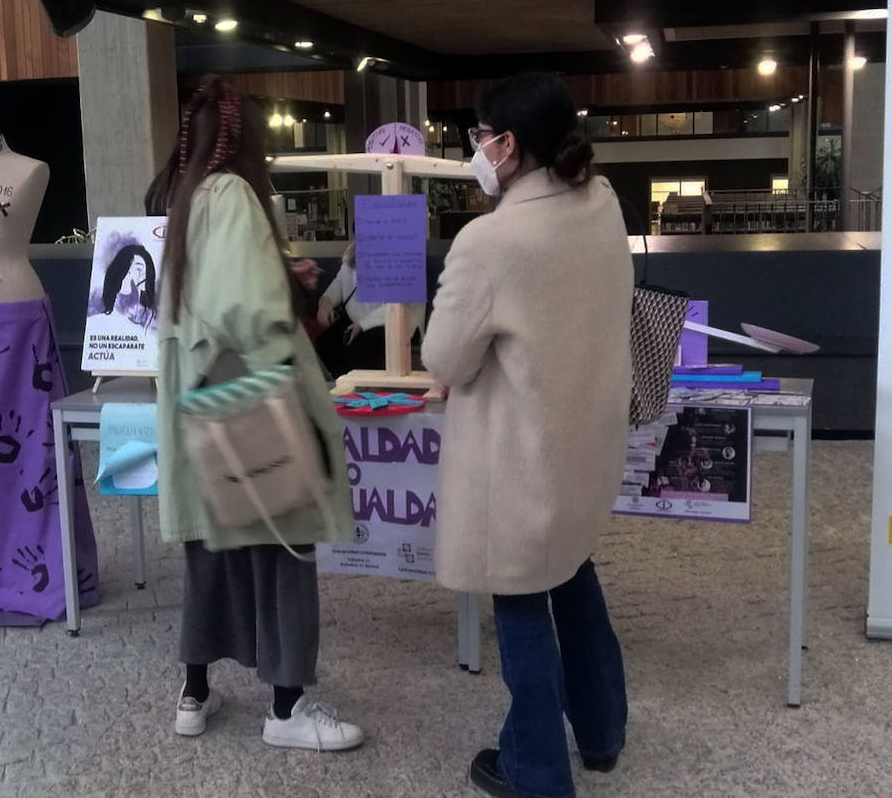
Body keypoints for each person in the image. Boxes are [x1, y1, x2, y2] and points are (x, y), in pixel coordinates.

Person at [422, 73, 634, 798]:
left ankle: (536, 770)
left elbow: (446, 359)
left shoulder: (491, 239)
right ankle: (603, 732)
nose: (476, 149)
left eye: (481, 136)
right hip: (582, 444)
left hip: (517, 460)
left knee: (518, 603)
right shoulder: (600, 204)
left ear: (508, 145)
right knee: (572, 572)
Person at [145, 76, 363, 753]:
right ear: (245, 139)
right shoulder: (236, 194)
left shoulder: (183, 196)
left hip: (201, 401)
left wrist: (275, 274)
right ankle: (288, 707)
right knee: (284, 549)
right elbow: (246, 311)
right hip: (250, 399)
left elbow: (210, 294)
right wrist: (290, 400)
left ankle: (194, 692)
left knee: (211, 550)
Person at [314, 242, 422, 379]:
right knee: (325, 342)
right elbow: (339, 283)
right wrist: (325, 301)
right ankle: (341, 384)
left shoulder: (401, 259)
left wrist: (363, 325)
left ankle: (363, 389)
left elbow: (399, 304)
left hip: (387, 323)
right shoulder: (353, 255)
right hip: (355, 319)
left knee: (361, 347)